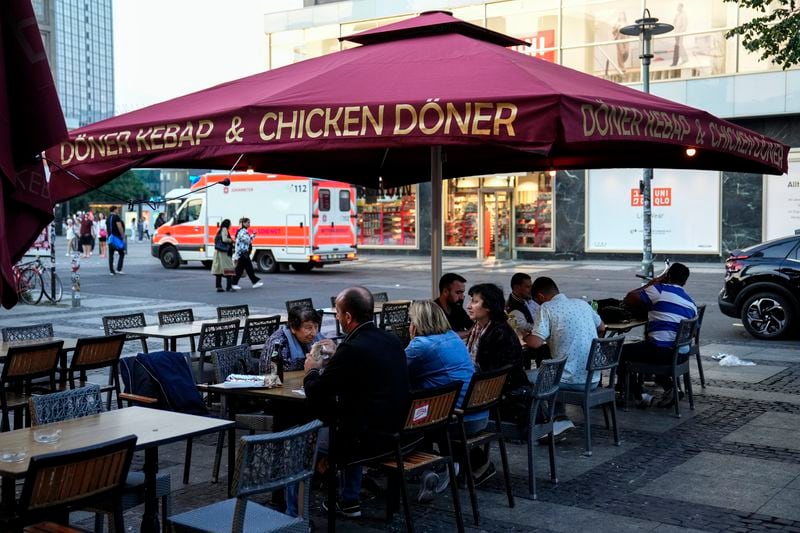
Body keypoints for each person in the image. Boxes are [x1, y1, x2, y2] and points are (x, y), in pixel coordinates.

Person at [304, 287, 410, 518]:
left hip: (365, 439)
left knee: (299, 434)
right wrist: (338, 355)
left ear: (348, 317)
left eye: (339, 314)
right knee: (350, 418)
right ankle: (349, 499)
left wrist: (311, 371)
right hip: (398, 430)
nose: (338, 318)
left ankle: (294, 506)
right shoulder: (391, 339)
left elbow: (316, 393)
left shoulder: (352, 348)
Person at [405, 300, 489, 499]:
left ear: (417, 322)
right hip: (478, 413)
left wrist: (410, 339)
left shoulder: (421, 345)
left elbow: (394, 371)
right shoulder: (451, 336)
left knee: (407, 419)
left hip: (456, 420)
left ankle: (434, 466)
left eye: (411, 320)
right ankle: (444, 463)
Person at [526, 276, 605, 433]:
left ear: (541, 297)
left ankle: (552, 421)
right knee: (554, 370)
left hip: (571, 379)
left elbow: (535, 343)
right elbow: (602, 327)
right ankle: (560, 417)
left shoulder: (547, 307)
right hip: (593, 378)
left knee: (525, 378)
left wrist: (526, 336)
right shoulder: (582, 304)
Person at [620, 262, 697, 407]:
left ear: (667, 276)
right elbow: (693, 334)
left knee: (620, 352)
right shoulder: (690, 303)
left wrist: (652, 283)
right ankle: (670, 388)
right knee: (653, 345)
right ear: (685, 281)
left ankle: (638, 394)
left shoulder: (659, 290)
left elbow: (629, 298)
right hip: (680, 355)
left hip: (661, 353)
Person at [466, 283, 527, 435]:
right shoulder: (480, 328)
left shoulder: (498, 332)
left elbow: (490, 374)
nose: (468, 306)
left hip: (504, 398)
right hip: (495, 391)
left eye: (475, 301)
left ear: (488, 307)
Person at [262, 306, 327, 372]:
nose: (314, 333)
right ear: (293, 328)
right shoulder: (278, 343)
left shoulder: (316, 336)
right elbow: (272, 372)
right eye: (308, 328)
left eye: (316, 327)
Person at [506, 272, 550, 369]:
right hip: (525, 345)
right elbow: (522, 327)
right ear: (517, 287)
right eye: (527, 287)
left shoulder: (525, 299)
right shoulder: (513, 307)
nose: (531, 290)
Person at [231, 217, 263, 290]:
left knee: (243, 269)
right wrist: (252, 236)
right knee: (246, 269)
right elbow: (247, 240)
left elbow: (248, 240)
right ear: (243, 223)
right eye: (248, 222)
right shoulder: (242, 231)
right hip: (243, 253)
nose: (249, 224)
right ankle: (234, 283)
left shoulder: (243, 231)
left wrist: (253, 235)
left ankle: (234, 283)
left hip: (243, 253)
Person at [212, 219, 235, 292]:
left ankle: (219, 287)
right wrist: (232, 240)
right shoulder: (225, 229)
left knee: (219, 270)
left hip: (218, 252)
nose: (231, 225)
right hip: (224, 253)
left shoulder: (219, 230)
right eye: (230, 224)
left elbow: (215, 239)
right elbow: (224, 239)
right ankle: (229, 287)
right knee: (228, 269)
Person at [107, 206, 126, 275]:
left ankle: (111, 271)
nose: (118, 210)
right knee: (121, 253)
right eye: (117, 209)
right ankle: (119, 269)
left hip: (110, 239)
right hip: (117, 238)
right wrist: (122, 235)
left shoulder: (108, 218)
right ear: (114, 210)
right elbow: (119, 227)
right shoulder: (116, 217)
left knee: (111, 254)